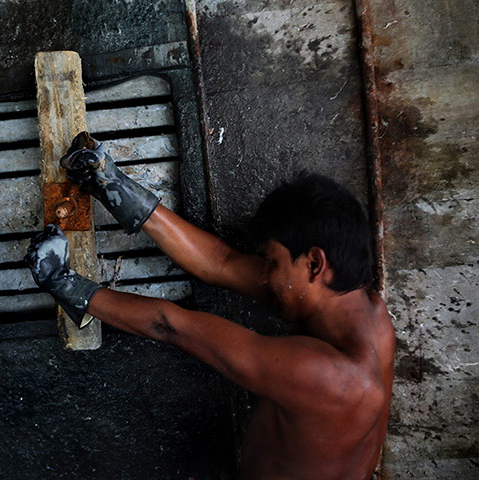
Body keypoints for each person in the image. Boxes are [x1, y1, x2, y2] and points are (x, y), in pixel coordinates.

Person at [25, 132, 395, 479]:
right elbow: (222, 263)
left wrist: (63, 282)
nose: (263, 277)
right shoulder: (366, 313)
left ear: (314, 264)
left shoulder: (330, 378)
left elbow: (169, 325)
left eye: (272, 263)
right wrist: (111, 183)